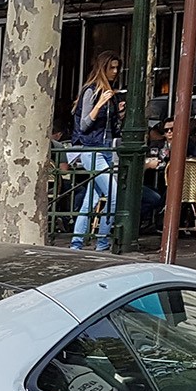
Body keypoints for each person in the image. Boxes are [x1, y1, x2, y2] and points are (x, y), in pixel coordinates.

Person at [68, 52, 122, 251]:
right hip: (92, 150)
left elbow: (113, 129)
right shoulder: (91, 91)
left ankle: (76, 243)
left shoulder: (110, 93)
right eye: (111, 68)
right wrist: (100, 104)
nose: (115, 72)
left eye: (117, 68)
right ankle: (102, 241)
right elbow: (84, 125)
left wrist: (118, 112)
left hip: (106, 148)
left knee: (90, 199)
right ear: (102, 68)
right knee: (114, 195)